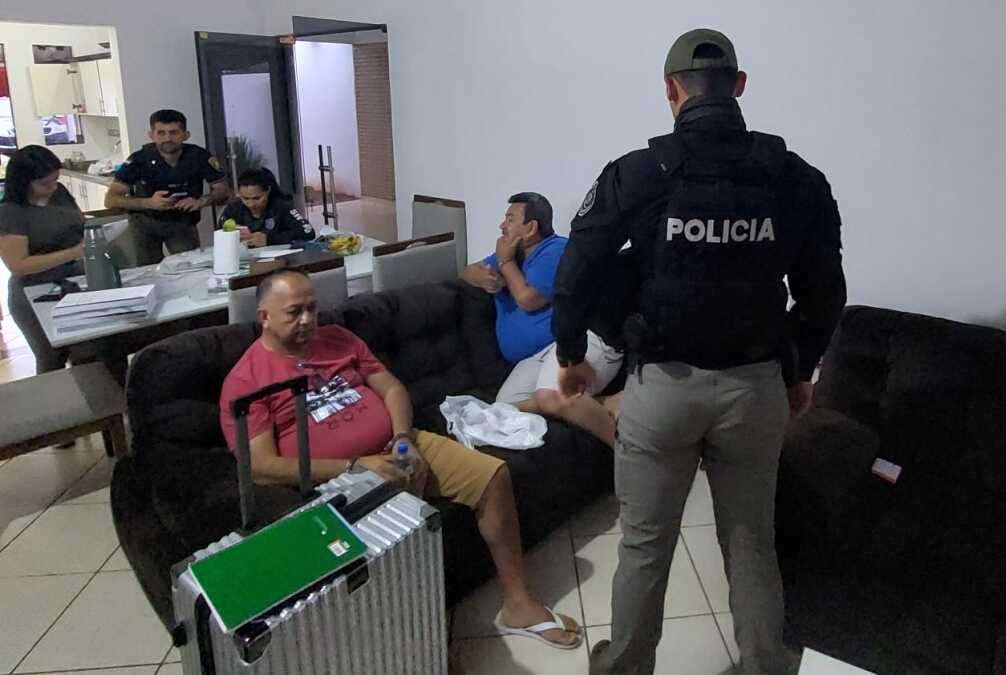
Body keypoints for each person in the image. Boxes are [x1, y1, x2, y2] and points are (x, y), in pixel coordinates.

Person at [554, 29, 847, 675]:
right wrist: (799, 370)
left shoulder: (636, 172)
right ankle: (767, 663)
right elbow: (826, 295)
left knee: (644, 547)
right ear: (739, 87)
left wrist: (573, 353)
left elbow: (574, 273)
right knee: (751, 543)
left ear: (671, 92)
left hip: (662, 389)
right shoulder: (796, 178)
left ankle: (626, 666)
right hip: (756, 388)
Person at [218, 269, 581, 650]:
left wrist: (403, 439)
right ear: (264, 317)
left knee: (493, 477)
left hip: (399, 444)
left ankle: (517, 603)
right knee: (397, 545)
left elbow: (391, 387)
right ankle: (417, 648)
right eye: (295, 312)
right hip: (339, 478)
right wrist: (355, 465)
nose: (309, 319)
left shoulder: (338, 339)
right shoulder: (246, 381)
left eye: (313, 308)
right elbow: (259, 466)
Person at [460, 192, 624, 445]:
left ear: (531, 228)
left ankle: (630, 454)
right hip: (540, 354)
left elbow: (528, 299)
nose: (502, 225)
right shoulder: (515, 254)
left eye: (510, 219)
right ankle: (608, 401)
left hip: (575, 341)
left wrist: (504, 263)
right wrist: (483, 278)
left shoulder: (556, 251)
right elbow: (467, 271)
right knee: (504, 406)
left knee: (551, 395)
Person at [105, 109, 229, 265]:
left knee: (190, 268)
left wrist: (202, 201)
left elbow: (223, 189)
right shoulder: (138, 160)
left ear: (186, 135)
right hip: (145, 223)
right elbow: (110, 200)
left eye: (174, 133)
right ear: (151, 135)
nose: (167, 138)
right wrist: (149, 203)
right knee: (148, 273)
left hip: (182, 222)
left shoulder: (198, 156)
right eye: (161, 133)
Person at [0, 146, 85, 374]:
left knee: (89, 351)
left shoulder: (60, 194)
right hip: (34, 292)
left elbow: (77, 223)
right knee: (51, 359)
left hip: (76, 281)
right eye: (44, 184)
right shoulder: (10, 212)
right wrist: (73, 252)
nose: (53, 187)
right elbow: (18, 265)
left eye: (56, 180)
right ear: (24, 182)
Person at [218, 167, 314, 248]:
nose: (251, 204)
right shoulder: (233, 209)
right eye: (245, 198)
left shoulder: (281, 206)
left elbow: (307, 231)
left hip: (278, 259)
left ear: (267, 191)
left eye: (257, 198)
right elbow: (219, 233)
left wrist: (269, 239)